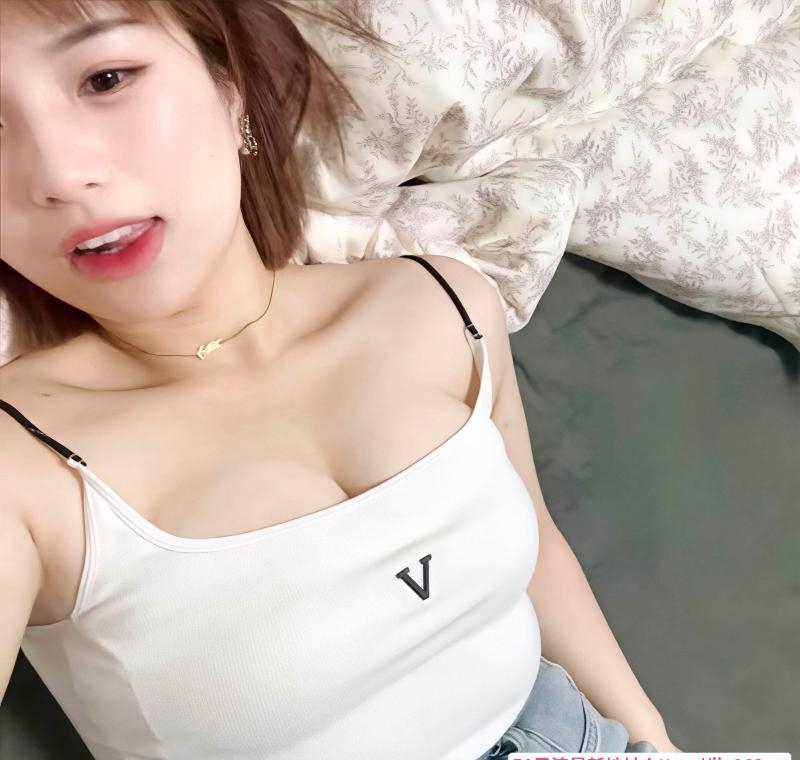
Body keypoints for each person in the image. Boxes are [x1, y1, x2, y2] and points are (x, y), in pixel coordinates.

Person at [0, 1, 679, 757]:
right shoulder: (19, 461)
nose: (59, 175)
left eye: (107, 79)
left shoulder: (442, 302)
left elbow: (541, 552)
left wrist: (656, 743)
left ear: (230, 93)